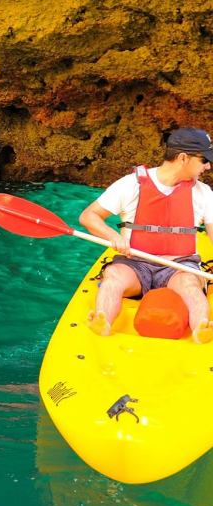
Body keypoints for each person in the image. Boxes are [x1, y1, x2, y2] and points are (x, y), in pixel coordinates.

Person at [79, 127, 213, 344]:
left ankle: (201, 328)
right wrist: (113, 235)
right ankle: (102, 320)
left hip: (179, 266)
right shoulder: (130, 184)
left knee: (190, 284)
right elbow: (88, 216)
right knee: (113, 276)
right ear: (183, 158)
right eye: (204, 160)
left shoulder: (204, 193)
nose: (208, 166)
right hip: (135, 263)